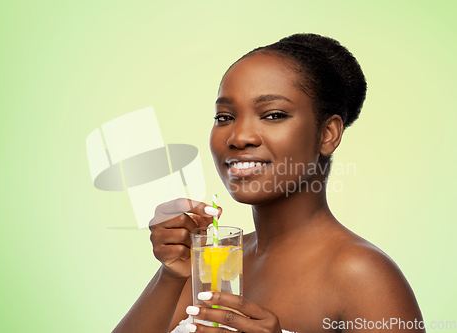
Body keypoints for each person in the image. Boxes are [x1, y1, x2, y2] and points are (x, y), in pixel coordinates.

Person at [113, 33, 425, 333]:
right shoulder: (217, 261)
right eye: (225, 117)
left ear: (328, 133)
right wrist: (171, 274)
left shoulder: (361, 274)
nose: (239, 137)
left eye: (273, 115)